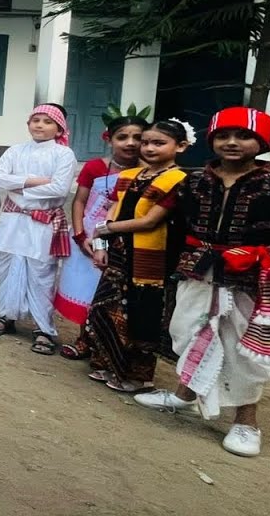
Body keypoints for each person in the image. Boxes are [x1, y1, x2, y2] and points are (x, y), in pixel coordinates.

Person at [133, 107, 270, 458]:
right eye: (222, 136)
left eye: (244, 136)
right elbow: (177, 226)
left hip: (248, 277)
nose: (232, 142)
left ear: (261, 142)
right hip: (196, 269)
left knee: (241, 347)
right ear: (211, 140)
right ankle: (185, 395)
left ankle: (246, 422)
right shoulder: (193, 181)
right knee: (188, 331)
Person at [85, 119, 190, 393]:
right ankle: (107, 362)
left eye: (159, 143)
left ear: (180, 146)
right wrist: (102, 242)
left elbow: (150, 222)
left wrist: (106, 229)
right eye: (146, 142)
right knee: (110, 306)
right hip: (120, 250)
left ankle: (137, 376)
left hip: (149, 256)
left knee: (142, 312)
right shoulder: (131, 175)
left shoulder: (178, 180)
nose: (149, 148)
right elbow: (115, 208)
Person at [0, 103, 77, 357]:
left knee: (41, 273)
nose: (40, 125)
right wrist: (33, 181)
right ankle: (5, 316)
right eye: (36, 120)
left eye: (47, 121)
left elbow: (59, 190)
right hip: (13, 221)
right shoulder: (16, 150)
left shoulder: (63, 155)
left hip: (42, 223)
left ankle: (43, 329)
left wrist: (18, 187)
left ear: (59, 128)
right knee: (7, 268)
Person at [57, 112, 148, 359]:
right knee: (88, 291)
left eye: (137, 137)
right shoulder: (95, 167)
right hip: (88, 238)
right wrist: (79, 235)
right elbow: (80, 202)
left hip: (126, 241)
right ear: (110, 139)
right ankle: (85, 340)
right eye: (123, 137)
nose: (130, 143)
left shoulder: (149, 173)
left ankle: (110, 348)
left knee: (117, 297)